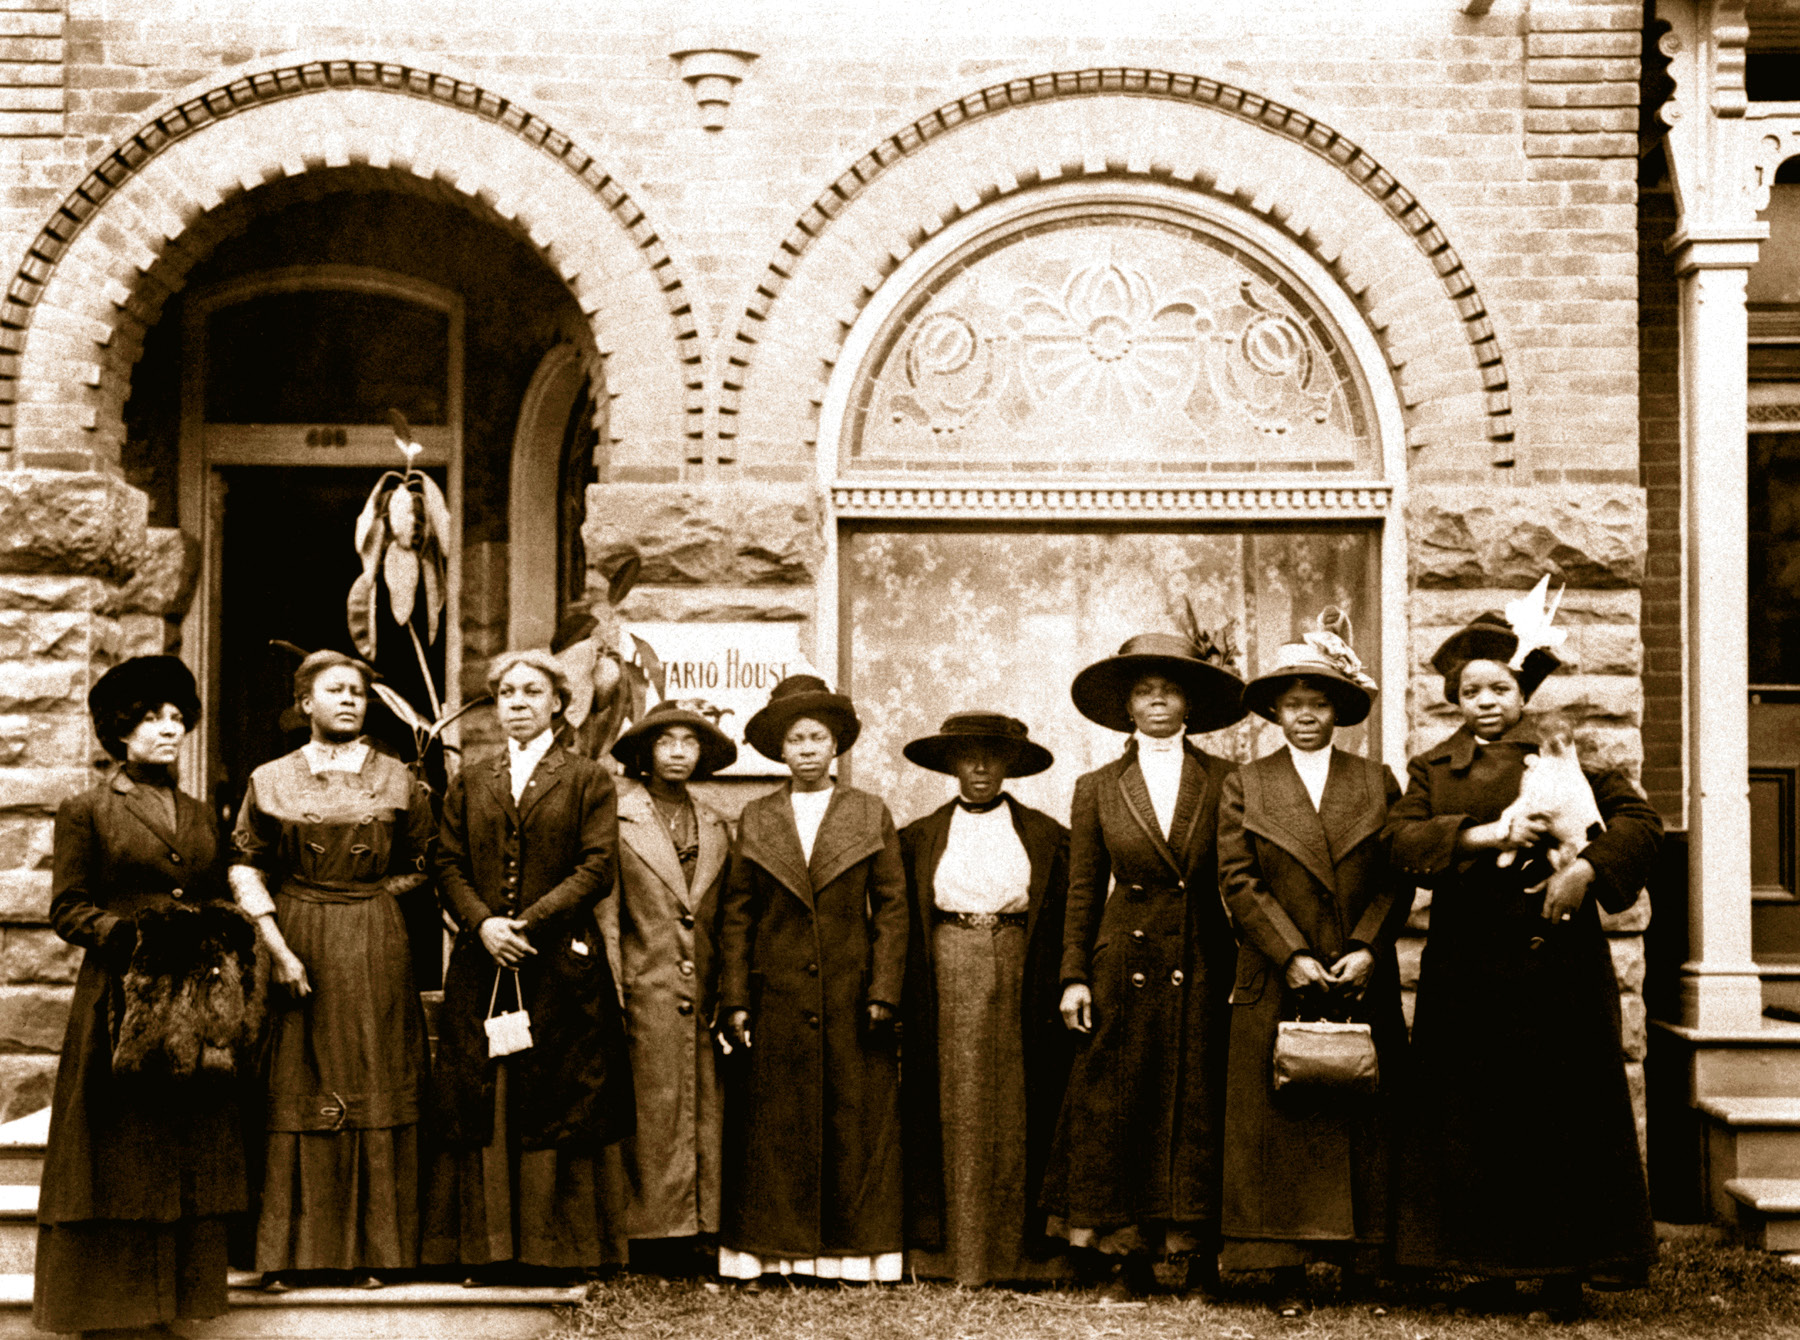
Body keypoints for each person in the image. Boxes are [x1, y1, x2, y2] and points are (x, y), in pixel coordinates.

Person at [1383, 596, 1663, 1320]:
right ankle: (1486, 1266)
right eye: (1471, 691)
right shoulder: (1433, 767)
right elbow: (1403, 843)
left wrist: (1586, 871)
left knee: (1559, 1116)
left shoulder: (1566, 754)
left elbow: (1640, 822)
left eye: (1498, 689)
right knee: (1475, 1119)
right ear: (1455, 698)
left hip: (1558, 967)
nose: (1485, 703)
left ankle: (1566, 1270)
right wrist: (1485, 834)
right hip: (1470, 972)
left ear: (1521, 693)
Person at [34, 656, 252, 1337]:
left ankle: (169, 1305)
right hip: (119, 1003)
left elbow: (212, 889)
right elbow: (67, 908)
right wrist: (130, 937)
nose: (169, 731)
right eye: (154, 719)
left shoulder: (196, 813)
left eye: (177, 720)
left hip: (191, 1002)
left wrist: (221, 929)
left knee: (178, 1144)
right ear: (121, 730)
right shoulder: (89, 810)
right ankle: (111, 1311)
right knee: (118, 1150)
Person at [1043, 632, 1245, 1299]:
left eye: (1169, 689)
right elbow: (1081, 890)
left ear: (1190, 702)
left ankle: (1197, 1256)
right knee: (1119, 1105)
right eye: (1144, 691)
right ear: (1127, 706)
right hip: (1121, 962)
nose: (1157, 702)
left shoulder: (1224, 780)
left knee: (1198, 1103)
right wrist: (1073, 975)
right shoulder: (1097, 786)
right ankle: (1126, 1256)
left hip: (1201, 957)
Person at [427, 649, 633, 1283]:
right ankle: (489, 1250)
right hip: (484, 960)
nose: (516, 702)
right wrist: (484, 924)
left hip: (558, 963)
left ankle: (557, 1251)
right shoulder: (473, 780)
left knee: (560, 1093)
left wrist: (530, 923)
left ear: (557, 704)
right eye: (505, 693)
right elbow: (446, 862)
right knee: (487, 1096)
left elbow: (598, 866)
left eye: (530, 692)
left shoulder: (587, 779)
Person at [230, 649, 435, 1286]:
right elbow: (243, 863)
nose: (349, 699)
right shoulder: (269, 778)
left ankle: (377, 1253)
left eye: (358, 692)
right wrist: (278, 942)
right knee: (297, 1078)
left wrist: (366, 900)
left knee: (375, 1068)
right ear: (305, 704)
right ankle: (288, 1253)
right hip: (295, 934)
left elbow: (425, 861)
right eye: (334, 690)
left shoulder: (399, 776)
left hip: (375, 941)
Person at [1216, 626, 1405, 1313]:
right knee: (1282, 1126)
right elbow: (1237, 880)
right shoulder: (1247, 784)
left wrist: (1367, 946)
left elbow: (1396, 875)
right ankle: (1284, 1268)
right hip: (1278, 976)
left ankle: (1364, 1265)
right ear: (1273, 713)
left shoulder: (1375, 780)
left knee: (1363, 1118)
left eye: (1318, 702)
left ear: (1338, 712)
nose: (1304, 714)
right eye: (1291, 703)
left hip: (1357, 974)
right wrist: (1290, 952)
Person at [715, 675, 908, 1286]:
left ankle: (852, 1256)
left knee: (852, 1123)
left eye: (817, 737)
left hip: (851, 997)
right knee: (776, 1129)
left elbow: (893, 909)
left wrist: (883, 991)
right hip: (778, 999)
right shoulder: (757, 816)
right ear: (780, 750)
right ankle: (773, 1253)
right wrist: (737, 999)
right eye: (794, 739)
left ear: (836, 747)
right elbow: (737, 915)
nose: (805, 749)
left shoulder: (867, 812)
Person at [897, 712, 1074, 1287]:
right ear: (950, 764)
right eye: (967, 756)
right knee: (955, 1100)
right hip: (948, 963)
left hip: (1025, 967)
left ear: (1010, 767)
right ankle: (952, 1256)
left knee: (1019, 1101)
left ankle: (1020, 1257)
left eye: (992, 757)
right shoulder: (919, 839)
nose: (979, 768)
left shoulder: (1047, 837)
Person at [603, 699, 737, 1275]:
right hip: (643, 986)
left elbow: (726, 916)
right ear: (645, 754)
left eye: (690, 742)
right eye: (666, 742)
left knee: (702, 1110)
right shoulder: (619, 818)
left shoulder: (715, 823)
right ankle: (646, 1235)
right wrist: (615, 989)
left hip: (700, 993)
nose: (679, 752)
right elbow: (608, 914)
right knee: (650, 1112)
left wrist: (728, 993)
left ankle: (698, 1231)